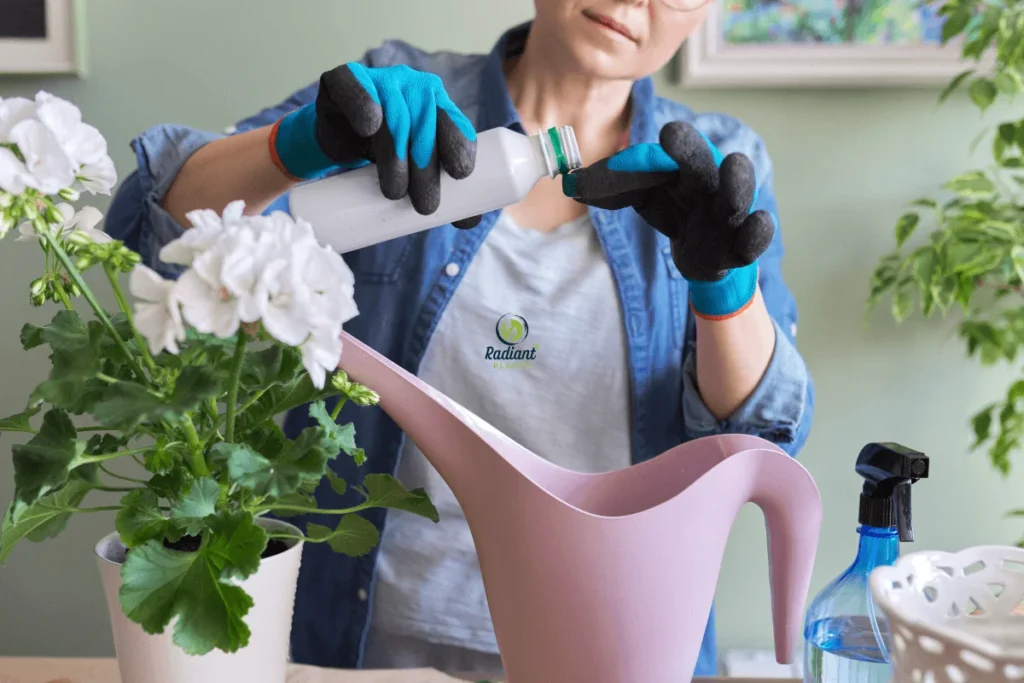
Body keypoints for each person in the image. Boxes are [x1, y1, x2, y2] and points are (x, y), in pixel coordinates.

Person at [104, 0, 815, 677]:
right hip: (368, 651)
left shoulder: (717, 164)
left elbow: (759, 436)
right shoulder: (400, 103)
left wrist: (725, 290)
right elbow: (160, 231)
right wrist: (298, 147)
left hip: (614, 650)